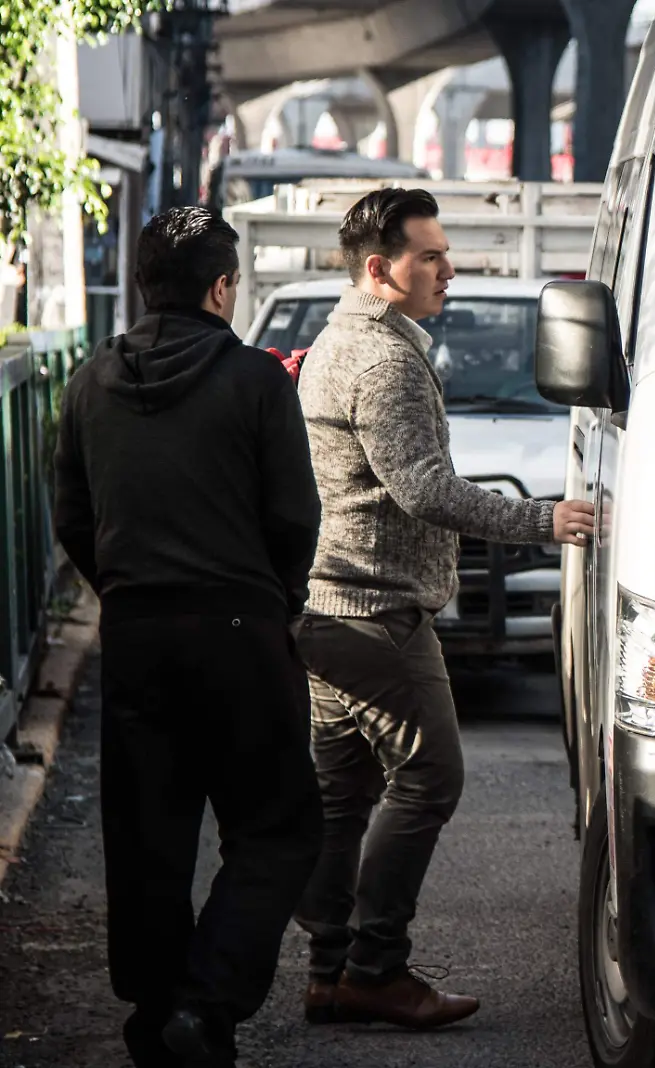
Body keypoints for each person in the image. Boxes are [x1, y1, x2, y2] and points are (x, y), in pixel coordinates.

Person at [292, 188, 596, 1029]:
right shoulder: (381, 360)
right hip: (374, 611)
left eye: (444, 252)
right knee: (430, 778)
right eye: (430, 257)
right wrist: (548, 519)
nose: (448, 269)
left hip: (332, 602)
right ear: (381, 269)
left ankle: (329, 972)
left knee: (342, 795)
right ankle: (375, 967)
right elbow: (423, 490)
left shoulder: (341, 340)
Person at [52, 207, 324, 1068]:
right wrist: (278, 599)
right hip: (241, 631)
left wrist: (124, 590)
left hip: (136, 632)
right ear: (220, 288)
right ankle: (206, 1005)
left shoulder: (90, 382)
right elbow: (293, 517)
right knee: (278, 826)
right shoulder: (255, 381)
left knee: (148, 836)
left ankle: (155, 1014)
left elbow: (72, 518)